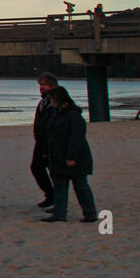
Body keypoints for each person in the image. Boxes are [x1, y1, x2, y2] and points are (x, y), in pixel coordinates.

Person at [42, 86, 98, 223]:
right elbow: (52, 135)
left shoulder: (73, 115)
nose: (52, 102)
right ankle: (59, 214)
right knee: (60, 187)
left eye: (53, 99)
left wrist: (72, 157)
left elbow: (76, 137)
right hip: (58, 157)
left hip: (74, 159)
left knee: (80, 187)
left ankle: (90, 214)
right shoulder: (58, 113)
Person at [29, 72, 58, 208]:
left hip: (50, 141)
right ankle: (51, 195)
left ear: (52, 86)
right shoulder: (43, 101)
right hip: (41, 141)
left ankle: (55, 198)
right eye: (41, 85)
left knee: (53, 171)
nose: (41, 87)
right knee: (36, 167)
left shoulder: (55, 101)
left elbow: (53, 123)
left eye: (44, 85)